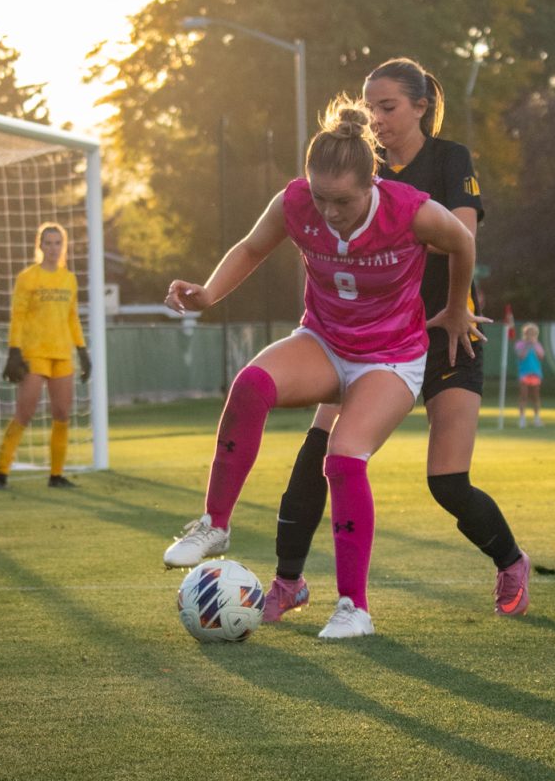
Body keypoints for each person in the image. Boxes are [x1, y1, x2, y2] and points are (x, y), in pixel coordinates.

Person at [162, 95, 485, 639]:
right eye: (320, 197)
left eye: (342, 201)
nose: (329, 211)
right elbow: (251, 247)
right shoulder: (294, 203)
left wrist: (456, 309)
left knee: (342, 456)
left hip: (391, 358)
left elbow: (462, 240)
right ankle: (215, 524)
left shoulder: (407, 208)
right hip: (325, 341)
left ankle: (353, 607)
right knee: (251, 385)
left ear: (371, 186)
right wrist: (208, 294)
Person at [263, 58, 530, 626]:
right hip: (367, 336)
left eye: (387, 107)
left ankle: (510, 560)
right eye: (371, 108)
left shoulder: (447, 159)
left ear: (420, 107)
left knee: (448, 483)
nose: (376, 119)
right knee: (318, 456)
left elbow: (458, 238)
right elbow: (329, 222)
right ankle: (287, 583)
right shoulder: (356, 166)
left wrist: (450, 300)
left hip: (448, 333)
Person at [0, 223, 91, 490]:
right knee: (24, 412)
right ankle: (1, 473)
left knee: (61, 414)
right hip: (34, 354)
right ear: (40, 246)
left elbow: (72, 318)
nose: (53, 248)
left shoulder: (68, 279)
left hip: (62, 355)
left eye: (58, 243)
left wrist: (82, 350)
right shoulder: (27, 277)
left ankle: (56, 475)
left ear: (63, 246)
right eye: (48, 243)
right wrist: (14, 350)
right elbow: (18, 316)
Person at [516, 323, 545, 428]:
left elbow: (541, 357)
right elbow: (521, 356)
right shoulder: (520, 344)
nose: (531, 335)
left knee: (535, 397)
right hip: (524, 374)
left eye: (533, 333)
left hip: (536, 374)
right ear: (525, 334)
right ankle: (522, 419)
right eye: (529, 333)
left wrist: (534, 345)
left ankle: (537, 419)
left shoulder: (538, 345)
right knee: (523, 396)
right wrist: (528, 346)